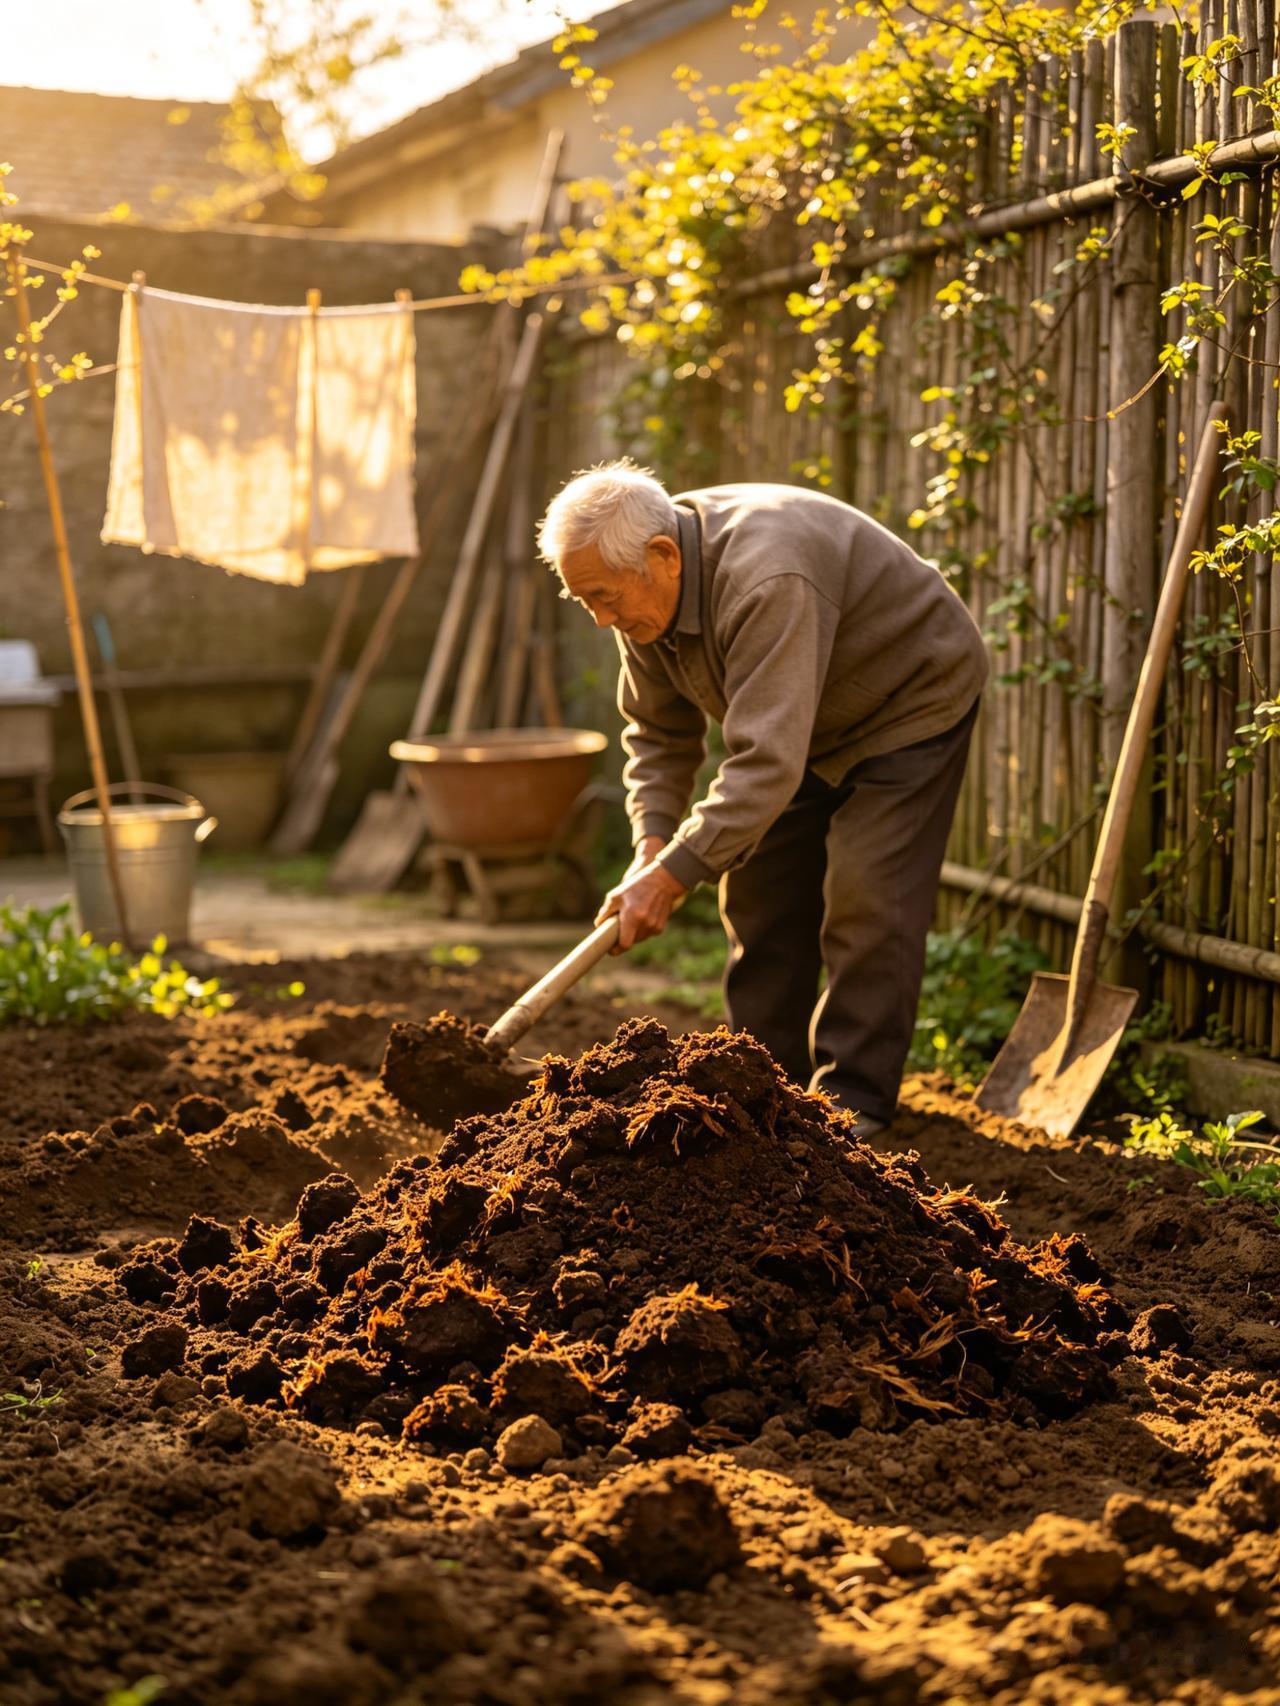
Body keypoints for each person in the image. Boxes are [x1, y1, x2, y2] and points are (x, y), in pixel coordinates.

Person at [536, 461, 989, 1134]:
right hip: (799, 720)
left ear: (662, 557)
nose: (602, 619)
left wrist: (673, 876)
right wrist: (652, 848)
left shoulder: (766, 576)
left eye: (604, 597)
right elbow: (659, 735)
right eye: (585, 602)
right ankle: (763, 1083)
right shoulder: (643, 603)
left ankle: (853, 1099)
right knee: (756, 889)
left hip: (906, 700)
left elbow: (767, 763)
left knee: (867, 893)